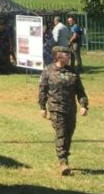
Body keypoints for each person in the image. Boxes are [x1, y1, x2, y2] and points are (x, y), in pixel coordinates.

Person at [38, 46, 89, 175]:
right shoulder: (48, 71)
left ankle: (64, 155)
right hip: (56, 109)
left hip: (71, 109)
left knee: (69, 134)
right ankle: (63, 162)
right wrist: (42, 107)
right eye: (66, 55)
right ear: (58, 56)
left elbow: (80, 91)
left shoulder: (73, 72)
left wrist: (83, 105)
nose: (69, 57)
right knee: (61, 133)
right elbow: (42, 90)